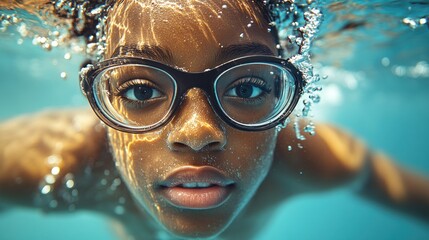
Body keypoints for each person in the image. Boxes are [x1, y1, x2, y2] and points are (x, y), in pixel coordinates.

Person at [1, 0, 429, 239]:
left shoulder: (321, 159)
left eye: (246, 89)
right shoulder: (56, 163)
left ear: (284, 94)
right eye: (140, 91)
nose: (198, 132)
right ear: (100, 99)